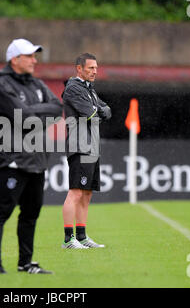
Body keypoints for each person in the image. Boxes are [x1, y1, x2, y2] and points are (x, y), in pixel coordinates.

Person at [0, 38, 63, 274]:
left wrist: (34, 114)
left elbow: (57, 108)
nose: (34, 60)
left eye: (34, 55)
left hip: (37, 160)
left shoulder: (38, 84)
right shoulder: (1, 87)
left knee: (31, 214)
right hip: (12, 159)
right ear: (15, 60)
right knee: (1, 213)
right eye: (29, 56)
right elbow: (23, 118)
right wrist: (38, 115)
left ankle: (25, 263)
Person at [61, 53, 111, 249]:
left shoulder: (89, 89)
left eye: (96, 68)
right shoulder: (73, 88)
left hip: (91, 145)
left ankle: (81, 236)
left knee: (87, 193)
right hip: (79, 145)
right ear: (79, 69)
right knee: (75, 192)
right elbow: (90, 113)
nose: (95, 71)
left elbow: (106, 110)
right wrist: (98, 110)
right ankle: (68, 239)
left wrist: (99, 110)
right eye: (90, 68)